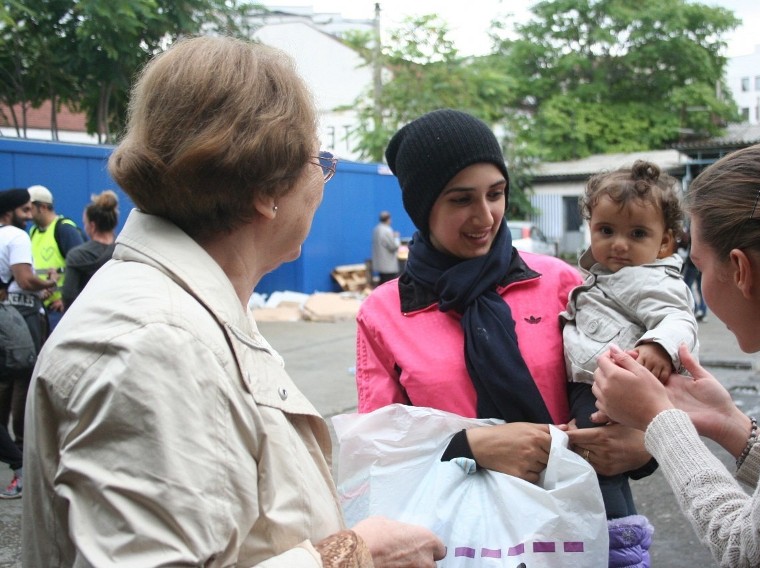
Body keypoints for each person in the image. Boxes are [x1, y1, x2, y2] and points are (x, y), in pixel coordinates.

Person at [22, 36, 445, 567]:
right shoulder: (153, 344)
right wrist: (351, 556)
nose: (323, 181)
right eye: (319, 161)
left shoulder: (191, 312)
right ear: (267, 189)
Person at [356, 109, 656, 565]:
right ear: (423, 206)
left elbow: (626, 385)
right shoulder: (385, 311)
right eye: (460, 200)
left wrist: (643, 446)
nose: (485, 216)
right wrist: (469, 447)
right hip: (464, 536)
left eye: (496, 194)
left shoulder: (558, 282)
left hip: (579, 525)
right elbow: (378, 451)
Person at [592, 142, 760, 566]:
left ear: (740, 269)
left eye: (699, 264)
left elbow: (756, 558)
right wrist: (730, 424)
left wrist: (662, 423)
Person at [560, 161, 698, 549]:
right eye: (606, 230)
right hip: (592, 383)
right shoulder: (602, 275)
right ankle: (617, 538)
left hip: (609, 387)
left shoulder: (649, 277)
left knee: (600, 470)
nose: (619, 243)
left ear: (666, 242)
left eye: (637, 233)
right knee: (597, 470)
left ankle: (620, 542)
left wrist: (658, 345)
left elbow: (678, 317)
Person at [0, 188, 57, 461]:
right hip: (19, 313)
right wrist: (48, 283)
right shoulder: (17, 235)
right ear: (10, 212)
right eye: (24, 210)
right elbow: (24, 279)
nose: (29, 216)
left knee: (4, 377)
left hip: (7, 307)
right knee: (24, 373)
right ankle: (22, 447)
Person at [27, 184, 85, 329]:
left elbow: (82, 268)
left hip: (60, 310)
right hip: (41, 307)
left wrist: (66, 301)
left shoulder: (64, 229)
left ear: (43, 207)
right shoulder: (33, 231)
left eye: (30, 208)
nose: (26, 213)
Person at [62, 190, 120, 309]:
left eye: (85, 223)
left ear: (92, 226)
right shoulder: (124, 251)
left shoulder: (77, 255)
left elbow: (68, 296)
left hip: (88, 318)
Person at [678, 226, 708, 320]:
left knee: (688, 285)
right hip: (702, 264)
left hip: (692, 264)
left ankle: (695, 307)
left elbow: (685, 245)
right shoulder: (704, 234)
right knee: (700, 287)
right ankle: (702, 310)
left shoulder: (693, 233)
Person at [371, 210, 400, 285]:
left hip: (380, 264)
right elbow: (394, 246)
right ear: (388, 219)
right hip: (388, 266)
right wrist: (396, 238)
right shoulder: (387, 230)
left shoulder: (376, 229)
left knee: (381, 285)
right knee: (390, 285)